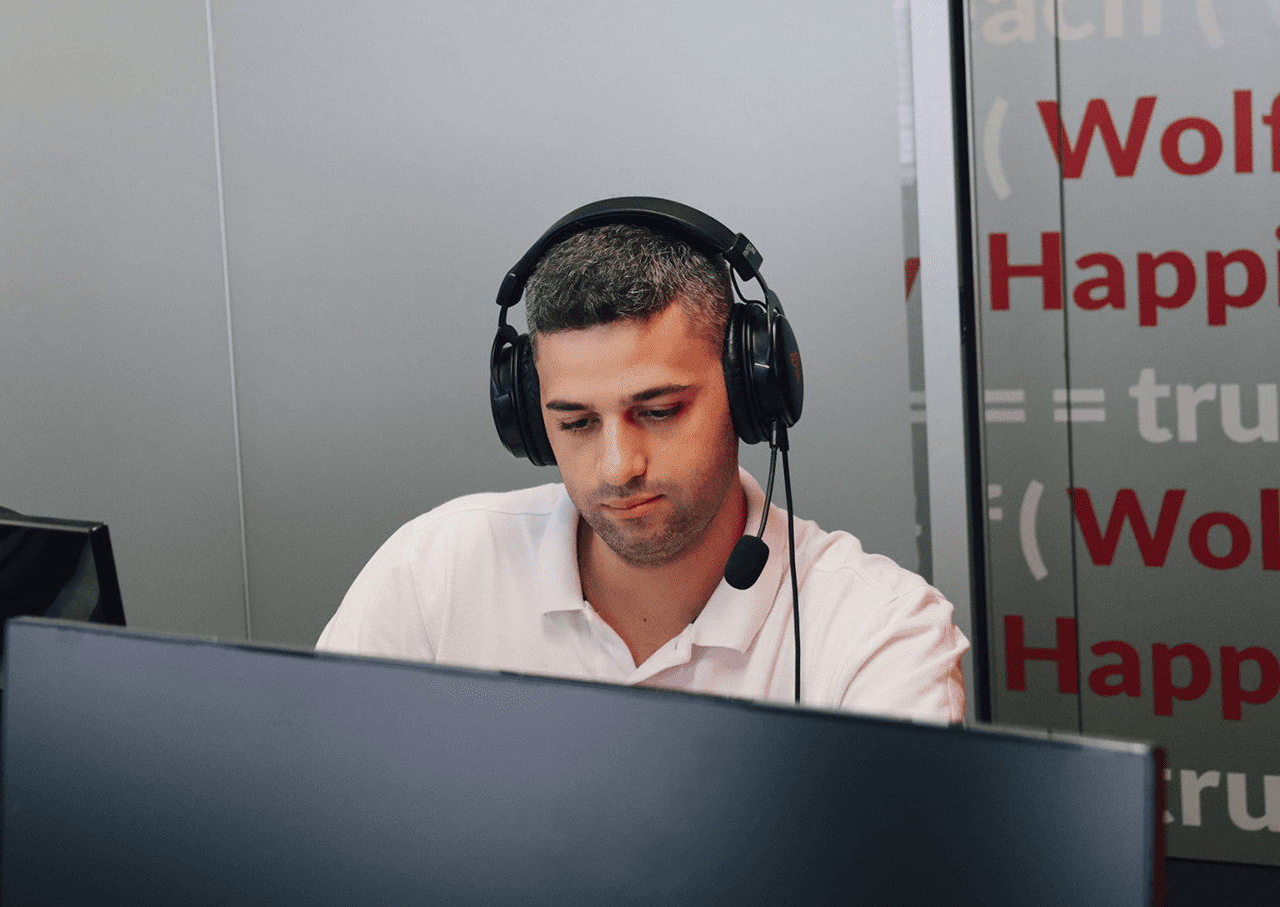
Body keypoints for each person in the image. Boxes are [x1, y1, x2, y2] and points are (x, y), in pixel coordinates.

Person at [318, 198, 967, 722]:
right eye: (575, 422)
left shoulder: (882, 633)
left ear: (749, 392)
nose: (616, 465)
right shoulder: (434, 570)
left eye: (658, 411)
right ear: (530, 421)